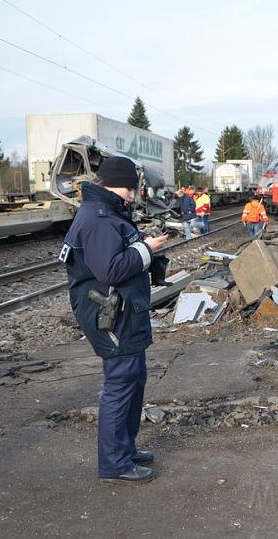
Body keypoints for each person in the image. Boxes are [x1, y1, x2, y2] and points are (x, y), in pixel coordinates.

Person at [59, 156, 168, 482]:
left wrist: (142, 246)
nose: (133, 195)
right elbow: (111, 269)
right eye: (129, 189)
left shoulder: (104, 214)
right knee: (121, 385)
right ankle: (114, 463)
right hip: (110, 315)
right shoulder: (99, 219)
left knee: (133, 381)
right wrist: (146, 249)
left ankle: (125, 448)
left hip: (122, 312)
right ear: (112, 185)